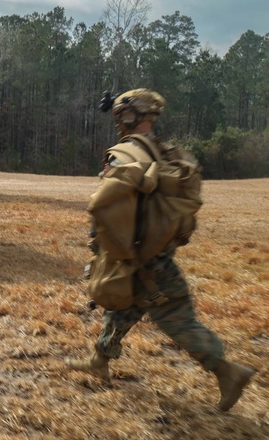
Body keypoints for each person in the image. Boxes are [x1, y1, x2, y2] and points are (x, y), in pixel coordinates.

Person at [64, 88, 256, 412]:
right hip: (155, 255)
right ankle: (99, 360)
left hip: (144, 261)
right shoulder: (166, 153)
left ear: (125, 117)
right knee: (121, 304)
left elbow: (102, 206)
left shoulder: (125, 154)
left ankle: (228, 372)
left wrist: (111, 250)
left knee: (177, 318)